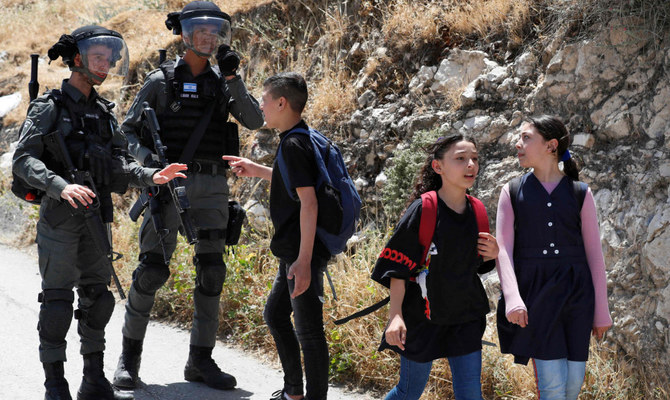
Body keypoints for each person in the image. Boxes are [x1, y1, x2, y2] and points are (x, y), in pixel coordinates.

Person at [12, 25, 187, 400]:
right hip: (60, 219)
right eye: (98, 57)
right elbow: (23, 160)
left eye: (109, 58)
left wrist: (151, 175)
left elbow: (122, 163)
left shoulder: (105, 113)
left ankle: (93, 378)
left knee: (98, 298)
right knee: (57, 302)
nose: (106, 64)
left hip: (98, 217)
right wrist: (60, 186)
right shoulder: (50, 107)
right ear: (77, 59)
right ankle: (54, 383)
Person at [113, 0, 264, 391]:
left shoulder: (221, 81)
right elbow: (126, 133)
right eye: (201, 31)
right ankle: (128, 359)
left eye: (215, 31)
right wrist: (151, 168)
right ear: (185, 34)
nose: (210, 37)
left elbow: (255, 120)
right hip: (166, 186)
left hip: (213, 187)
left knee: (212, 272)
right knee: (151, 272)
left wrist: (234, 78)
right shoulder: (161, 80)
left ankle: (200, 361)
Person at [223, 72, 331, 400]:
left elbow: (309, 203)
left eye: (264, 100)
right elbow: (299, 186)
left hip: (302, 251)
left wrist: (303, 259)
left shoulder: (295, 144)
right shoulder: (300, 137)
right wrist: (257, 170)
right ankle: (293, 391)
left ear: (282, 103)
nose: (261, 106)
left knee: (310, 333)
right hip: (296, 251)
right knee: (275, 314)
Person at [369, 134, 499, 400]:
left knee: (471, 395)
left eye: (474, 158)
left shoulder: (478, 211)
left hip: (466, 317)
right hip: (422, 319)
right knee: (408, 392)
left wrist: (494, 254)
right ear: (437, 166)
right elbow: (398, 268)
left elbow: (477, 266)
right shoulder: (424, 209)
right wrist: (396, 316)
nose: (471, 165)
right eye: (461, 159)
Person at [495, 115, 612, 400]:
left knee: (572, 387)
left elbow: (594, 257)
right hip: (536, 297)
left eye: (526, 138)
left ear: (551, 145)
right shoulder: (511, 191)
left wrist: (601, 310)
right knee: (553, 389)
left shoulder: (580, 193)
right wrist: (513, 297)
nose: (517, 144)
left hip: (577, 296)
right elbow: (503, 251)